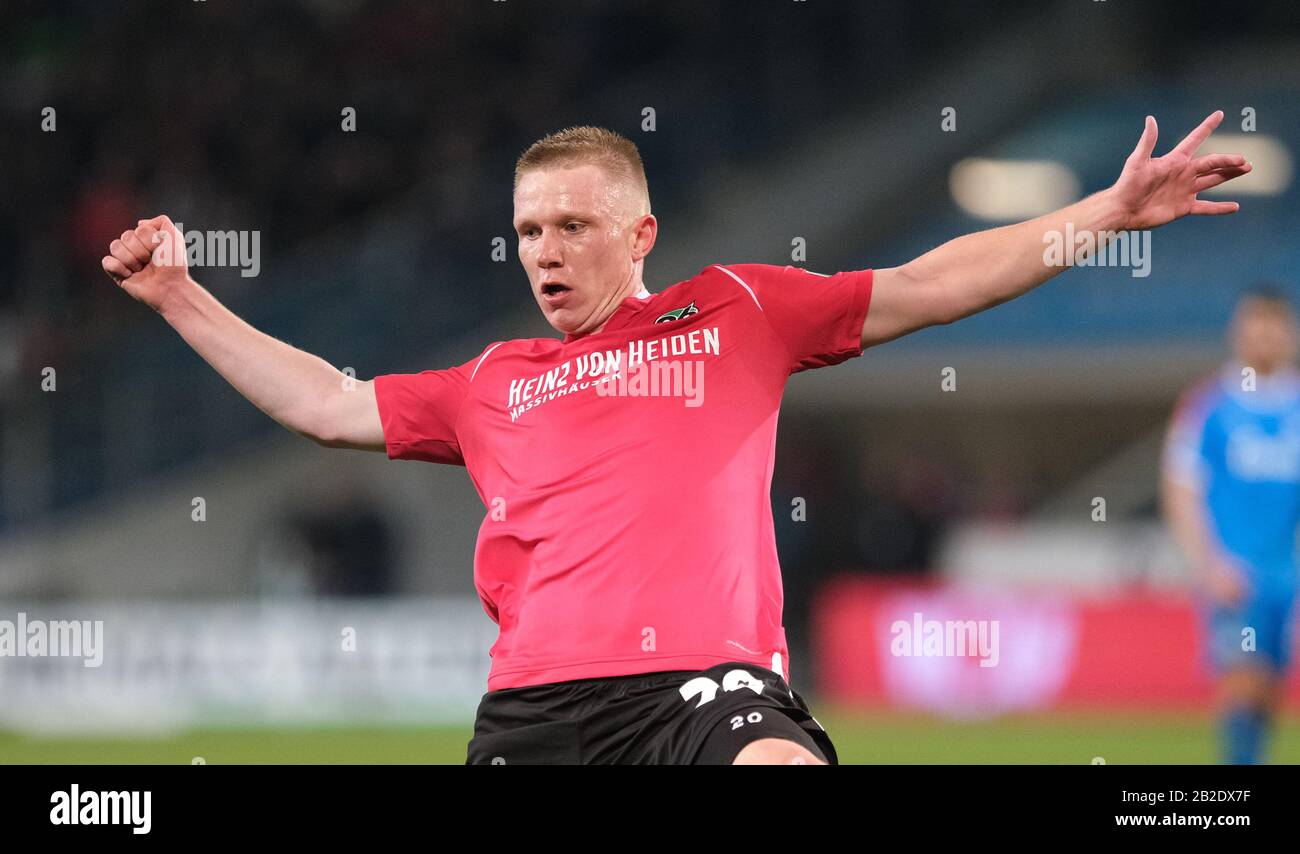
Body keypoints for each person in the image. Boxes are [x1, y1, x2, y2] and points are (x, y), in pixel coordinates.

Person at [102, 114, 1249, 764]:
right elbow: (325, 402)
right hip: (536, 713)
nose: (544, 251)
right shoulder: (491, 381)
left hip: (703, 693)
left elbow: (929, 283)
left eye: (570, 226)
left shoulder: (738, 310)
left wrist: (1104, 211)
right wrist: (180, 300)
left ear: (639, 231)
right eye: (525, 232)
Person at [1162, 288, 1300, 764]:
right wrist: (1208, 564)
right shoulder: (1208, 405)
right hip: (1234, 572)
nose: (1264, 335)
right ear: (1237, 333)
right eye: (1254, 324)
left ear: (1290, 333)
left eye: (1274, 324)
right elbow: (1181, 489)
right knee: (1240, 684)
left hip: (1288, 573)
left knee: (1267, 693)